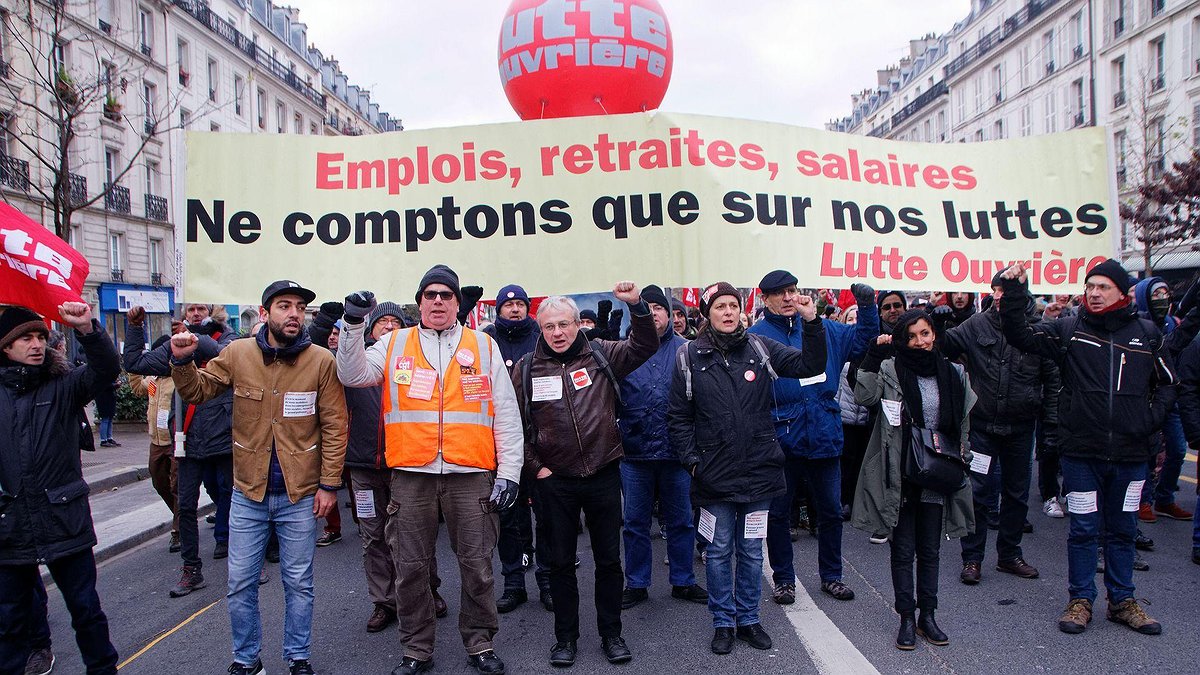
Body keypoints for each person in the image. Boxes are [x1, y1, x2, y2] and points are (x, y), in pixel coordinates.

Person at [337, 265, 522, 675]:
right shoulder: (393, 342)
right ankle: (416, 649)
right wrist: (352, 323)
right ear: (419, 302)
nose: (438, 301)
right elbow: (350, 374)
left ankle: (480, 643)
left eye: (446, 295)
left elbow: (506, 414)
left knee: (477, 566)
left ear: (457, 303)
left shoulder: (484, 346)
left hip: (470, 474)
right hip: (411, 476)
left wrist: (509, 471)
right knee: (410, 568)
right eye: (430, 294)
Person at [170, 281, 348, 675]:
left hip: (299, 495)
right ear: (265, 314)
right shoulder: (238, 353)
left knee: (299, 584)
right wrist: (183, 363)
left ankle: (297, 656)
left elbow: (336, 426)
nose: (294, 314)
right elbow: (199, 391)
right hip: (247, 494)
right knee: (239, 585)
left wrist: (329, 484)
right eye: (284, 306)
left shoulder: (321, 361)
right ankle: (246, 659)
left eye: (300, 307)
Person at [997, 260, 1172, 636]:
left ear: (1123, 293)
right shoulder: (1068, 329)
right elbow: (1021, 336)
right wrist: (1014, 292)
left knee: (1123, 529)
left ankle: (1122, 601)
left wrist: (1149, 419)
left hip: (1130, 456)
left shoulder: (1148, 333)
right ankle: (1080, 601)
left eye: (1103, 286)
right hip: (1080, 455)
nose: (1094, 292)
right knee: (1083, 530)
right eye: (1090, 285)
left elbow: (1170, 382)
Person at [669, 282, 827, 655]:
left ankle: (749, 618)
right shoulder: (688, 357)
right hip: (713, 475)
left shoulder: (760, 348)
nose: (727, 312)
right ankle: (723, 621)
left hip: (759, 471)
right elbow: (678, 418)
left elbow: (810, 364)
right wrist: (693, 463)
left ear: (741, 311)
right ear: (706, 314)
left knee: (753, 552)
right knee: (720, 550)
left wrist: (812, 322)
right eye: (719, 306)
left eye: (733, 305)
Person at [512, 283, 655, 667]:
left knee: (609, 561)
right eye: (548, 327)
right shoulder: (527, 369)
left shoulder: (602, 354)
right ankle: (565, 639)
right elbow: (514, 427)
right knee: (559, 564)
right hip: (553, 481)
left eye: (564, 324)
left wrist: (638, 307)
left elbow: (645, 345)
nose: (557, 333)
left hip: (603, 473)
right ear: (538, 329)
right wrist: (536, 468)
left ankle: (612, 633)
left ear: (578, 325)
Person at [0, 302, 121, 675]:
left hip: (63, 518)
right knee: (10, 623)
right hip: (10, 525)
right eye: (25, 338)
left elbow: (106, 369)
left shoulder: (64, 384)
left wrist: (88, 328)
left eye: (40, 337)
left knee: (86, 610)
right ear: (5, 347)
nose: (36, 344)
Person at [749, 272, 879, 605]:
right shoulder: (755, 338)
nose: (788, 297)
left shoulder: (825, 328)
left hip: (824, 432)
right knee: (779, 513)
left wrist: (866, 305)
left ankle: (832, 576)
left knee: (831, 512)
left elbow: (864, 338)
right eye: (779, 293)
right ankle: (784, 580)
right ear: (765, 300)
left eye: (792, 290)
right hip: (781, 437)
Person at [852, 310, 975, 650]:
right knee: (903, 550)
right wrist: (873, 355)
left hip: (938, 470)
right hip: (902, 470)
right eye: (913, 336)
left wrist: (964, 456)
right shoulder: (892, 369)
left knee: (930, 550)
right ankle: (906, 616)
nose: (921, 341)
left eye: (926, 333)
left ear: (934, 334)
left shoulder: (954, 372)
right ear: (903, 340)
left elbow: (962, 422)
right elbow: (865, 397)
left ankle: (928, 616)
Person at [932, 275, 1059, 586]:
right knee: (976, 493)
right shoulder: (977, 324)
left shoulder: (1038, 328)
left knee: (1016, 495)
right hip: (983, 426)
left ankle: (1009, 555)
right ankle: (972, 559)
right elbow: (946, 348)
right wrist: (940, 325)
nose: (998, 296)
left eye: (1004, 290)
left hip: (1021, 426)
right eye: (995, 290)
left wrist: (1052, 426)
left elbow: (1052, 380)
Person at [125, 303, 236, 597]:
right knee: (185, 507)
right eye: (191, 309)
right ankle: (191, 569)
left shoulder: (228, 339)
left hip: (224, 438)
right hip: (189, 441)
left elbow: (225, 356)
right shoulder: (175, 345)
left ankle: (246, 563)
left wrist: (198, 341)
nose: (196, 314)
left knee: (238, 502)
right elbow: (135, 363)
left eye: (202, 308)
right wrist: (135, 329)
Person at [616, 285, 708, 613]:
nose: (653, 313)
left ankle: (683, 580)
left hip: (677, 452)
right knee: (635, 522)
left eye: (659, 307)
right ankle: (637, 583)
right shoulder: (624, 350)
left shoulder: (688, 350)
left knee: (682, 520)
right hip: (635, 451)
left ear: (670, 314)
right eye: (646, 306)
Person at [482, 284, 552, 614]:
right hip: (501, 444)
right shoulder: (486, 341)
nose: (515, 310)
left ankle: (548, 581)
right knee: (508, 516)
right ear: (499, 309)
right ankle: (514, 583)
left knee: (546, 515)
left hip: (540, 442)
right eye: (508, 305)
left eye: (520, 304)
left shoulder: (540, 338)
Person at [1132, 277, 1194, 523]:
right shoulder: (1137, 326)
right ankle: (1143, 500)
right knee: (1147, 454)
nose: (1162, 299)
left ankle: (1165, 498)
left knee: (1178, 450)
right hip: (1147, 400)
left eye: (1165, 293)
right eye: (1156, 294)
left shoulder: (1173, 324)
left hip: (1172, 397)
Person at [126, 344, 180, 553]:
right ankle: (181, 516)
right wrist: (133, 365)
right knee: (160, 483)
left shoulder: (177, 380)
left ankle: (178, 530)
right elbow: (138, 389)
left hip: (175, 441)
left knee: (178, 487)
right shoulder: (153, 382)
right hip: (156, 443)